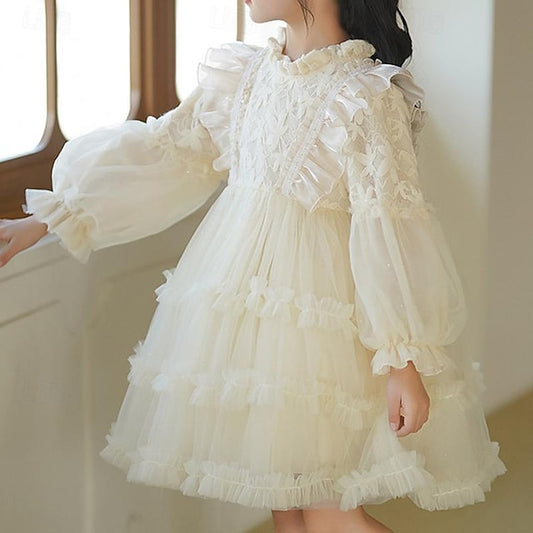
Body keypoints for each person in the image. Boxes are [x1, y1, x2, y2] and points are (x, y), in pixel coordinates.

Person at [0, 1, 506, 532]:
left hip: (327, 330)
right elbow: (168, 149)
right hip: (249, 321)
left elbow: (390, 227)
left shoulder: (365, 95)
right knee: (285, 506)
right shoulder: (243, 76)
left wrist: (401, 355)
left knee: (331, 513)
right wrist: (53, 215)